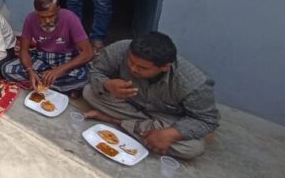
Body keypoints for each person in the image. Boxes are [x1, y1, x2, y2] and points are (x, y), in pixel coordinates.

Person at [83, 31, 219, 160]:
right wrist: (107, 84)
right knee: (89, 92)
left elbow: (207, 120)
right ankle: (144, 130)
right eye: (131, 62)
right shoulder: (122, 49)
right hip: (130, 103)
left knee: (192, 148)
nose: (133, 69)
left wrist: (171, 134)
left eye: (142, 68)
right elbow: (95, 71)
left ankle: (114, 121)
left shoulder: (194, 82)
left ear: (165, 67)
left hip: (165, 117)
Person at [2, 0, 93, 95]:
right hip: (42, 57)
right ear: (36, 13)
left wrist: (59, 70)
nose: (47, 21)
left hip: (66, 58)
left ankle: (41, 82)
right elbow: (24, 50)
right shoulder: (30, 19)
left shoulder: (70, 18)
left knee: (84, 77)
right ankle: (56, 85)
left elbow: (88, 53)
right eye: (42, 17)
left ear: (58, 9)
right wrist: (30, 71)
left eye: (51, 16)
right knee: (7, 69)